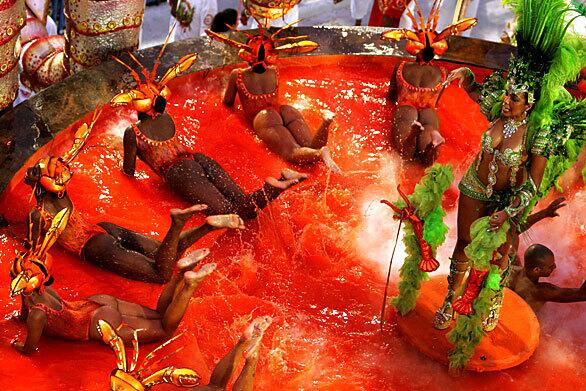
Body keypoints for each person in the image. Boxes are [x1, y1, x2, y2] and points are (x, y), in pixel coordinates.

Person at [433, 0, 586, 330]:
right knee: (464, 244)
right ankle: (450, 298)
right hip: (475, 186)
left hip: (508, 200)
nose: (506, 100)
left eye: (514, 97)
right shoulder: (497, 113)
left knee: (502, 256)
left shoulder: (538, 134)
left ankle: (492, 302)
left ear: (529, 104)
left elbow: (531, 183)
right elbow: (477, 94)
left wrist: (509, 212)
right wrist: (467, 77)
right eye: (507, 94)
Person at [25, 111, 243, 283]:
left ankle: (179, 223)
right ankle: (208, 226)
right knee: (164, 251)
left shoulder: (39, 213)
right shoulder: (62, 194)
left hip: (93, 247)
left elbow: (35, 251)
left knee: (160, 274)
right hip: (102, 227)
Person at [111, 34, 308, 220]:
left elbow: (129, 171)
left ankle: (274, 186)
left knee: (232, 213)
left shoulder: (133, 131)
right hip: (199, 158)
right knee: (242, 202)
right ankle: (279, 181)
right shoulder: (168, 116)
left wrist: (115, 152)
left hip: (179, 172)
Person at [11, 234, 217, 354]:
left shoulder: (36, 312)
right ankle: (179, 273)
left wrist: (15, 345)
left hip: (100, 325)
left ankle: (189, 285)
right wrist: (20, 319)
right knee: (159, 314)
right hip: (97, 303)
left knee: (165, 330)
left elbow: (29, 348)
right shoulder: (46, 290)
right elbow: (23, 314)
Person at [207, 22, 341, 172]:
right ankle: (325, 123)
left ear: (247, 52)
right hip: (285, 111)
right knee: (310, 147)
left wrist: (223, 85)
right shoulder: (274, 70)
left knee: (293, 153)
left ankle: (321, 152)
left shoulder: (237, 75)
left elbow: (228, 102)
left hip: (264, 119)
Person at [381, 0, 477, 164]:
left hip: (406, 110)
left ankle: (412, 133)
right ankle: (432, 143)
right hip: (429, 113)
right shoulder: (442, 73)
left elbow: (391, 96)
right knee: (426, 162)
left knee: (405, 154)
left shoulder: (401, 67)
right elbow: (437, 101)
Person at [509, 244, 586, 312]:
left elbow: (512, 240)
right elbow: (582, 295)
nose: (555, 266)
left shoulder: (510, 269)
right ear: (536, 270)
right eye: (550, 266)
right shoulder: (539, 291)